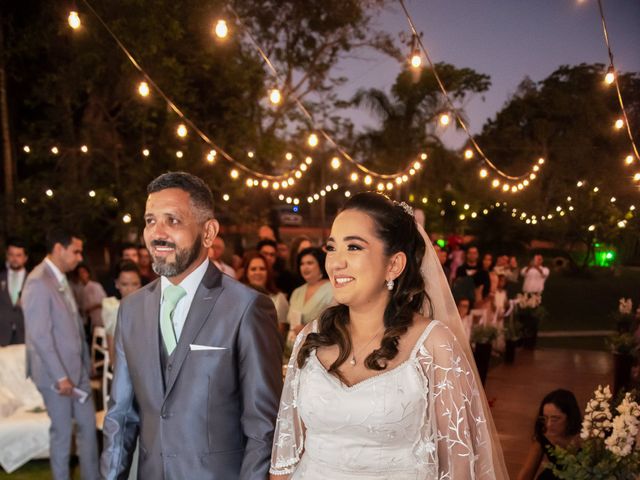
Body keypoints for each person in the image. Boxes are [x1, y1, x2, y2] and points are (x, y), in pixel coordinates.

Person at [270, 192, 508, 479]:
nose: (335, 263)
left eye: (354, 247)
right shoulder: (311, 338)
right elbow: (284, 458)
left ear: (393, 265)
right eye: (331, 249)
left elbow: (458, 465)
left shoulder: (433, 345)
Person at [101, 171, 283, 479]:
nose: (157, 233)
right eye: (149, 220)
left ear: (209, 232)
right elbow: (120, 417)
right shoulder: (130, 310)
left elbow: (263, 428)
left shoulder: (247, 307)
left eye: (172, 220)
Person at [22, 228, 100, 480]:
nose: (80, 257)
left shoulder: (61, 278)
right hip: (56, 378)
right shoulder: (37, 281)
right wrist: (60, 377)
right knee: (62, 435)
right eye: (75, 251)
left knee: (89, 430)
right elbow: (40, 337)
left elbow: (74, 328)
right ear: (58, 249)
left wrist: (85, 364)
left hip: (78, 373)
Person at [517, 389, 581, 480]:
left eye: (555, 419)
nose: (549, 424)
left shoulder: (585, 438)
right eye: (545, 418)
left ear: (570, 418)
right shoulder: (544, 434)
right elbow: (527, 471)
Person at [239, 251, 290, 341]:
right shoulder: (237, 297)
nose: (258, 272)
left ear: (268, 272)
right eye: (253, 269)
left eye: (262, 269)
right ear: (246, 273)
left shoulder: (279, 298)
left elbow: (279, 335)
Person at [286, 247, 333, 338]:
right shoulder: (297, 292)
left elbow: (334, 325)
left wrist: (308, 329)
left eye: (310, 263)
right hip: (292, 347)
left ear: (320, 265)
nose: (305, 267)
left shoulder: (332, 290)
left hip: (318, 347)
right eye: (302, 264)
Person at [102, 260, 142, 360]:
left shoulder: (149, 308)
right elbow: (113, 357)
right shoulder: (112, 308)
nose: (130, 289)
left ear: (140, 284)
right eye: (125, 284)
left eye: (135, 284)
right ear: (117, 284)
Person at [0, 238, 28, 345]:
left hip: (24, 336)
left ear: (25, 258)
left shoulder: (33, 281)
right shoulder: (1, 278)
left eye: (18, 255)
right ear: (7, 256)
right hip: (2, 336)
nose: (14, 258)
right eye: (11, 254)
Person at [76, 263, 107, 331]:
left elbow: (104, 302)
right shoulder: (79, 289)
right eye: (79, 273)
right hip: (86, 321)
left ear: (88, 273)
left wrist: (90, 308)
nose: (81, 275)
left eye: (83, 272)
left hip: (99, 319)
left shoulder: (96, 286)